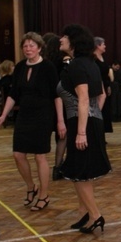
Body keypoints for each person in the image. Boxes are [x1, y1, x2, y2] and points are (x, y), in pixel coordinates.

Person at [0, 32, 65, 211]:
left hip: (43, 116)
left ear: (39, 48)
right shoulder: (19, 67)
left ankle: (44, 195)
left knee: (40, 156)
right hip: (24, 115)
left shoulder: (48, 67)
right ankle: (31, 186)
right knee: (18, 154)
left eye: (32, 46)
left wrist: (60, 121)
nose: (28, 49)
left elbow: (56, 96)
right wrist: (3, 115)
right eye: (25, 46)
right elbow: (13, 95)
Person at [57, 24, 112, 233]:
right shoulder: (90, 63)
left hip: (82, 124)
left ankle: (95, 215)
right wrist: (94, 116)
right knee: (81, 171)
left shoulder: (77, 65)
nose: (61, 39)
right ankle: (84, 212)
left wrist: (82, 131)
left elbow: (83, 98)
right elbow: (101, 95)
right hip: (89, 121)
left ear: (73, 41)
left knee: (79, 172)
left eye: (65, 36)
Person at [42, 32, 70, 180]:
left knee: (57, 134)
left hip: (47, 102)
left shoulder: (44, 62)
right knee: (63, 135)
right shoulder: (63, 60)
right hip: (62, 99)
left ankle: (55, 166)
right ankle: (58, 166)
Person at [93, 36, 114, 133]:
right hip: (97, 88)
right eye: (103, 44)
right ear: (98, 46)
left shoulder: (102, 57)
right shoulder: (93, 58)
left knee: (105, 111)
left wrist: (108, 85)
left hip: (105, 87)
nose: (105, 46)